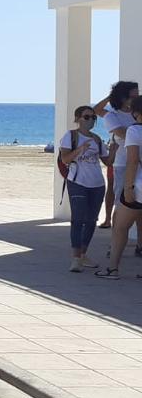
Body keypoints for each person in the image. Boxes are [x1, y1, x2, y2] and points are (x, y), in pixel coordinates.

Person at [96, 96, 142, 280]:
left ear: (134, 112)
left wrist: (128, 187)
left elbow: (132, 161)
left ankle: (112, 269)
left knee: (120, 227)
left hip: (138, 186)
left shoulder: (134, 130)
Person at [59, 105, 108, 272]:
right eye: (87, 117)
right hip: (78, 182)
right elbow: (65, 159)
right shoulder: (70, 136)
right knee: (78, 220)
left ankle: (83, 254)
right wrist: (80, 149)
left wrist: (115, 150)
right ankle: (75, 258)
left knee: (91, 221)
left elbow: (107, 161)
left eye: (93, 117)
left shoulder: (97, 139)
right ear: (78, 118)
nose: (91, 120)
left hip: (97, 185)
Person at [94, 81, 139, 231]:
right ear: (123, 97)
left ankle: (139, 243)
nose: (137, 97)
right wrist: (111, 97)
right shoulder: (113, 115)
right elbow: (124, 133)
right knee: (121, 203)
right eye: (134, 95)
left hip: (139, 164)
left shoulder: (137, 113)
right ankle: (115, 241)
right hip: (122, 164)